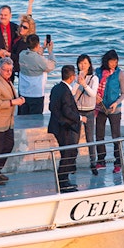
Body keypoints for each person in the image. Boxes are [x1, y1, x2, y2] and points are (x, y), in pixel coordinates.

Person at [0, 57, 24, 185]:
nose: (8, 72)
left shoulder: (7, 81)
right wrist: (13, 102)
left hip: (8, 121)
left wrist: (17, 99)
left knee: (9, 145)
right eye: (6, 70)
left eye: (10, 70)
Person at [49, 65, 82, 193]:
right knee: (68, 154)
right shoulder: (66, 91)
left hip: (57, 126)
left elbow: (52, 107)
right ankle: (62, 182)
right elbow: (67, 111)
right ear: (72, 77)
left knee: (66, 154)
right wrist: (79, 118)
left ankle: (63, 180)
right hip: (65, 127)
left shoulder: (56, 88)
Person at [94, 49, 124, 174]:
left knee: (115, 136)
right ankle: (101, 161)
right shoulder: (97, 72)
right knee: (99, 135)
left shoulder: (120, 74)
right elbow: (93, 88)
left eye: (116, 61)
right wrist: (95, 97)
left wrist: (116, 103)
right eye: (112, 61)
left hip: (115, 109)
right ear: (106, 61)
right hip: (100, 108)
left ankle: (118, 162)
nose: (114, 64)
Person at [17, 34, 56, 115]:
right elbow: (51, 66)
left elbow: (33, 54)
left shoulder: (22, 54)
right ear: (37, 44)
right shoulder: (39, 59)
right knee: (35, 121)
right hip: (36, 94)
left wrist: (43, 48)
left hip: (23, 92)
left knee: (23, 119)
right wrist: (50, 52)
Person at [74, 54, 100, 174]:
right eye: (80, 63)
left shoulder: (94, 78)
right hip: (77, 111)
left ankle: (93, 163)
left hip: (89, 112)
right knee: (75, 138)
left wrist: (84, 84)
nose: (82, 65)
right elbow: (73, 93)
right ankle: (72, 163)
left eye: (85, 63)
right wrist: (78, 81)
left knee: (90, 138)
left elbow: (93, 94)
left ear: (89, 64)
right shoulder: (76, 78)